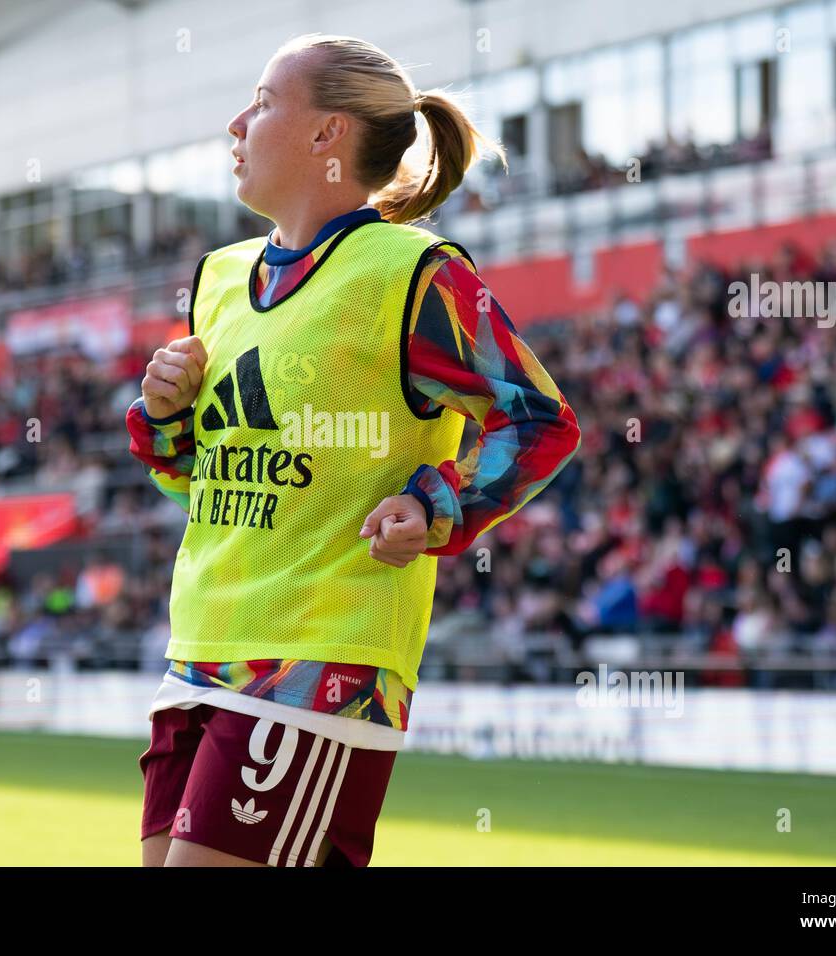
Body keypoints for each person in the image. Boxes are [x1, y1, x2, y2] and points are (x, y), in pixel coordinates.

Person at [126, 33, 582, 867]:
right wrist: (164, 418)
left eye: (263, 102)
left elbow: (539, 419)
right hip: (198, 649)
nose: (237, 123)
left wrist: (438, 503)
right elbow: (203, 487)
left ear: (326, 135)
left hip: (321, 658)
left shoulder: (414, 271)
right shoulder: (218, 278)